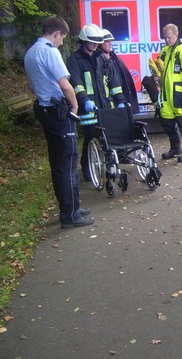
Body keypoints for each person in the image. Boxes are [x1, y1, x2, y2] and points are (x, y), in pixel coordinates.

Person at [23, 16, 94, 228]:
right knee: (68, 164)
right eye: (62, 37)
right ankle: (71, 216)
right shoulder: (49, 51)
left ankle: (70, 207)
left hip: (45, 110)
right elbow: (65, 84)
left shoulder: (31, 51)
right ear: (56, 33)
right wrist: (75, 106)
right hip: (59, 112)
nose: (62, 42)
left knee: (58, 163)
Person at [67, 23, 126, 180]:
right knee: (90, 137)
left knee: (107, 137)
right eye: (92, 42)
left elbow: (113, 81)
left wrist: (120, 100)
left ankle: (109, 165)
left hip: (105, 106)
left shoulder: (102, 58)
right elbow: (77, 84)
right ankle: (87, 167)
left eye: (96, 42)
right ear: (83, 41)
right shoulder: (74, 60)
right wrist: (84, 100)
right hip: (89, 108)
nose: (95, 45)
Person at [155, 23, 182, 163]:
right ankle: (175, 148)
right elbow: (159, 68)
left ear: (176, 35)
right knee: (167, 122)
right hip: (167, 96)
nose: (167, 40)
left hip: (180, 94)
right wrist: (155, 75)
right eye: (165, 38)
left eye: (169, 37)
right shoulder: (165, 51)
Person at [94, 28, 140, 114]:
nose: (110, 44)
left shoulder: (115, 58)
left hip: (119, 101)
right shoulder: (96, 61)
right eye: (107, 41)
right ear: (100, 44)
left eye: (111, 41)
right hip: (106, 104)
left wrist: (122, 101)